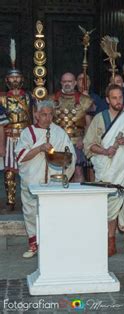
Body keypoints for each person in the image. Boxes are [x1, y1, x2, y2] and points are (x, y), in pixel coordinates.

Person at [83, 84, 124, 258]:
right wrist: (106, 151)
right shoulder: (100, 118)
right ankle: (110, 242)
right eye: (114, 98)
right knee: (111, 205)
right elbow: (88, 144)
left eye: (120, 97)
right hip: (109, 169)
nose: (118, 101)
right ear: (107, 100)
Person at [16, 100, 76, 258]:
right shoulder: (27, 133)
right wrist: (40, 148)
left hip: (53, 180)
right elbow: (21, 156)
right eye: (44, 114)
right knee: (31, 212)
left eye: (50, 114)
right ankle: (33, 245)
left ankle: (52, 245)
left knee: (53, 213)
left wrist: (64, 166)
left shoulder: (59, 132)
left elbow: (70, 155)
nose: (47, 118)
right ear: (36, 115)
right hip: (32, 179)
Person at [0, 65, 35, 210]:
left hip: (26, 137)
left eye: (17, 77)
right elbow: (0, 123)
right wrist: (1, 145)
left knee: (29, 170)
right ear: (7, 80)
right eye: (12, 77)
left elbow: (34, 118)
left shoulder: (29, 97)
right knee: (9, 172)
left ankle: (30, 200)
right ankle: (10, 201)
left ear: (22, 79)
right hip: (9, 137)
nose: (15, 80)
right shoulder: (2, 98)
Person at [51, 72, 93, 183]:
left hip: (76, 140)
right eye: (64, 81)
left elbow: (89, 124)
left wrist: (84, 139)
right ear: (61, 83)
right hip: (58, 141)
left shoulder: (84, 100)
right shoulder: (52, 99)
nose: (67, 84)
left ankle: (78, 198)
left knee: (78, 170)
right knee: (58, 171)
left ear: (75, 83)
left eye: (69, 81)